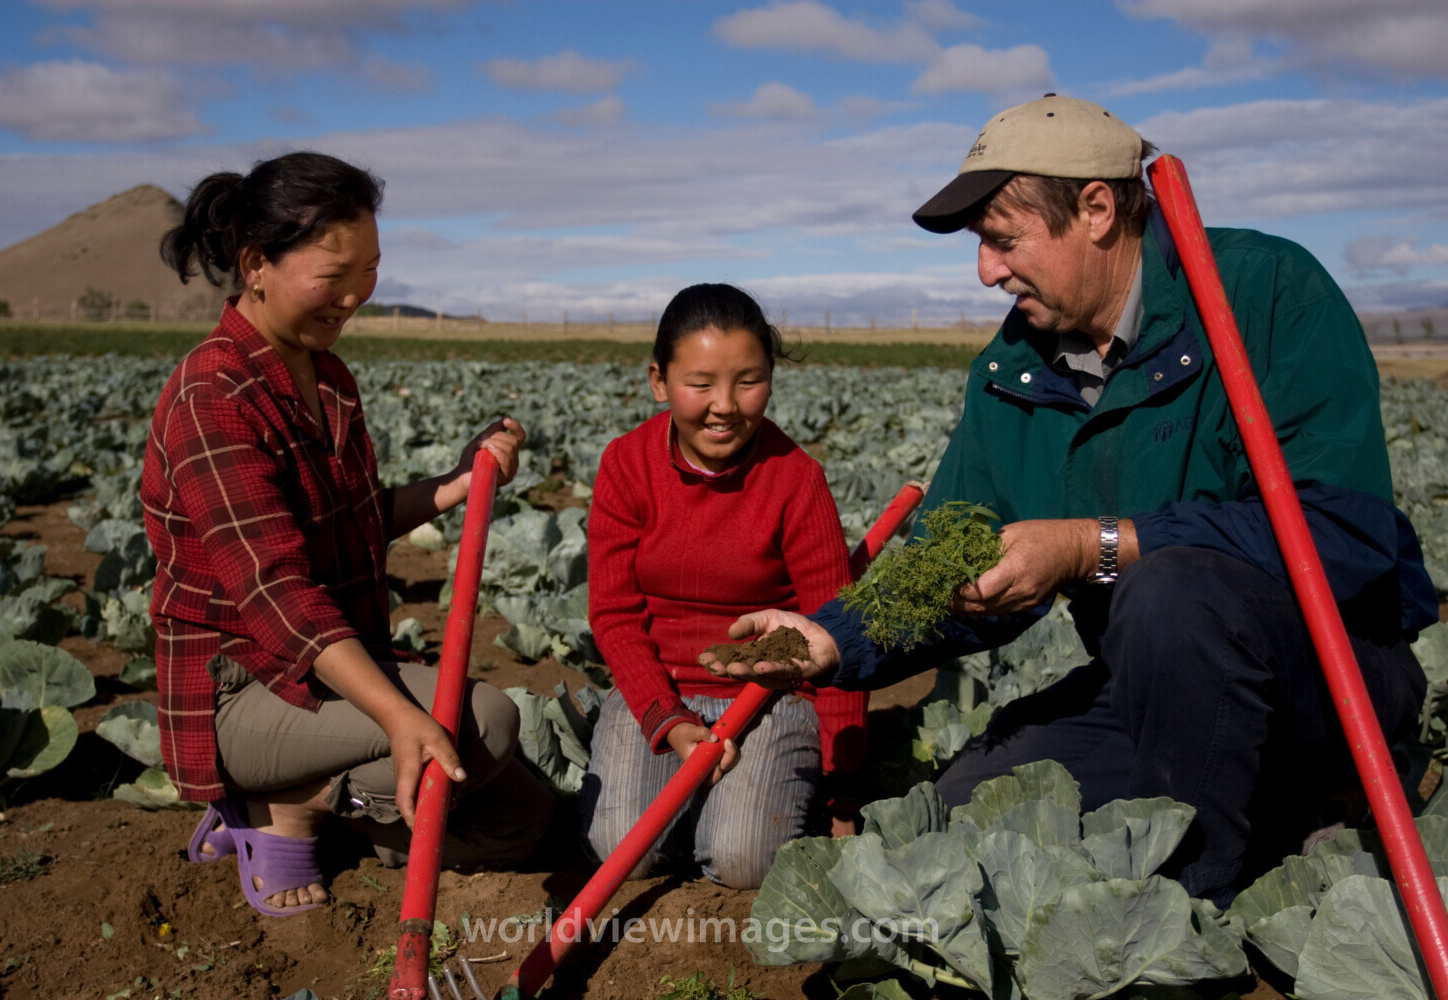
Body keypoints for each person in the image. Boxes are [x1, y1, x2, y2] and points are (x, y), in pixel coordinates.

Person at [704, 95, 1436, 905]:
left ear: (1095, 209)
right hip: (1156, 689)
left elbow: (1346, 536)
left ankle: (1193, 914)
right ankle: (1276, 815)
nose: (985, 270)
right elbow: (951, 564)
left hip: (1332, 685)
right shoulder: (1014, 367)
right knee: (964, 816)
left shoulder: (1266, 293)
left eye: (1002, 239)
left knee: (1168, 593)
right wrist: (831, 640)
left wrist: (1095, 546)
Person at [142, 151, 555, 917]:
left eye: (369, 271)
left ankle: (328, 804)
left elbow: (352, 518)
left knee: (523, 825)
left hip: (323, 671)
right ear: (257, 264)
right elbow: (276, 588)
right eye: (334, 275)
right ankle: (283, 804)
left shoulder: (326, 374)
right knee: (481, 720)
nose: (356, 295)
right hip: (244, 687)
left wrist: (452, 487)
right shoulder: (213, 395)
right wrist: (401, 716)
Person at [582, 283, 869, 889]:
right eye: (701, 383)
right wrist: (671, 722)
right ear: (659, 381)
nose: (725, 405)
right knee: (621, 854)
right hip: (658, 693)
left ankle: (733, 810)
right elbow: (613, 616)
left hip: (767, 696)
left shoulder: (796, 479)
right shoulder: (626, 465)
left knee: (743, 863)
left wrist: (844, 797)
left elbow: (837, 628)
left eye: (748, 380)